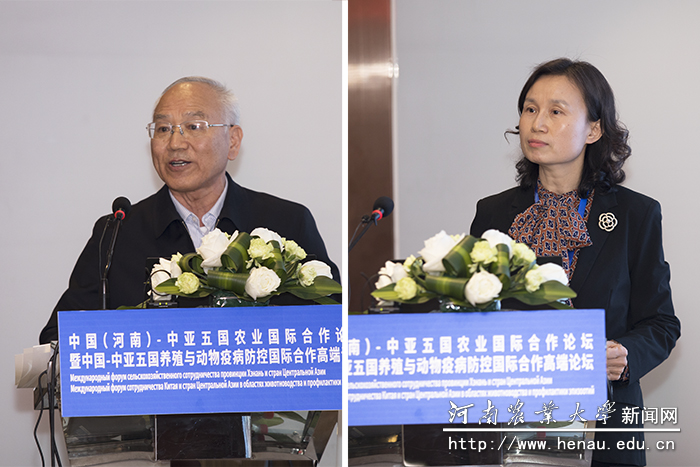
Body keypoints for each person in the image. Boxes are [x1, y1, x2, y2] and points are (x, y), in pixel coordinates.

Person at [470, 58, 680, 467]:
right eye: (530, 109)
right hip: (508, 418)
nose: (537, 124)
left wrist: (624, 354)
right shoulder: (493, 213)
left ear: (594, 130)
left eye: (556, 112)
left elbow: (661, 323)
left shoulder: (635, 215)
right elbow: (471, 315)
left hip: (604, 424)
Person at [40, 76, 339, 344]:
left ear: (233, 141)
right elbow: (58, 339)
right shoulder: (117, 233)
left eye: (193, 127)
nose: (175, 143)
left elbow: (331, 325)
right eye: (163, 129)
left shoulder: (286, 223)